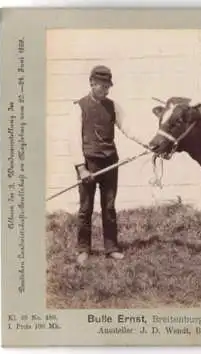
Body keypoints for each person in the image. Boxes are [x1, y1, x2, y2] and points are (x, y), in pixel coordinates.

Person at [68, 65, 150, 265]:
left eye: (108, 86)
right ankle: (83, 248)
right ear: (92, 83)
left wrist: (149, 142)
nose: (105, 90)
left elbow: (129, 128)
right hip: (88, 164)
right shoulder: (79, 107)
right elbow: (73, 140)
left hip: (110, 164)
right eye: (102, 86)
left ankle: (111, 247)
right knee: (86, 208)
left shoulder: (113, 107)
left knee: (109, 206)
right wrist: (81, 168)